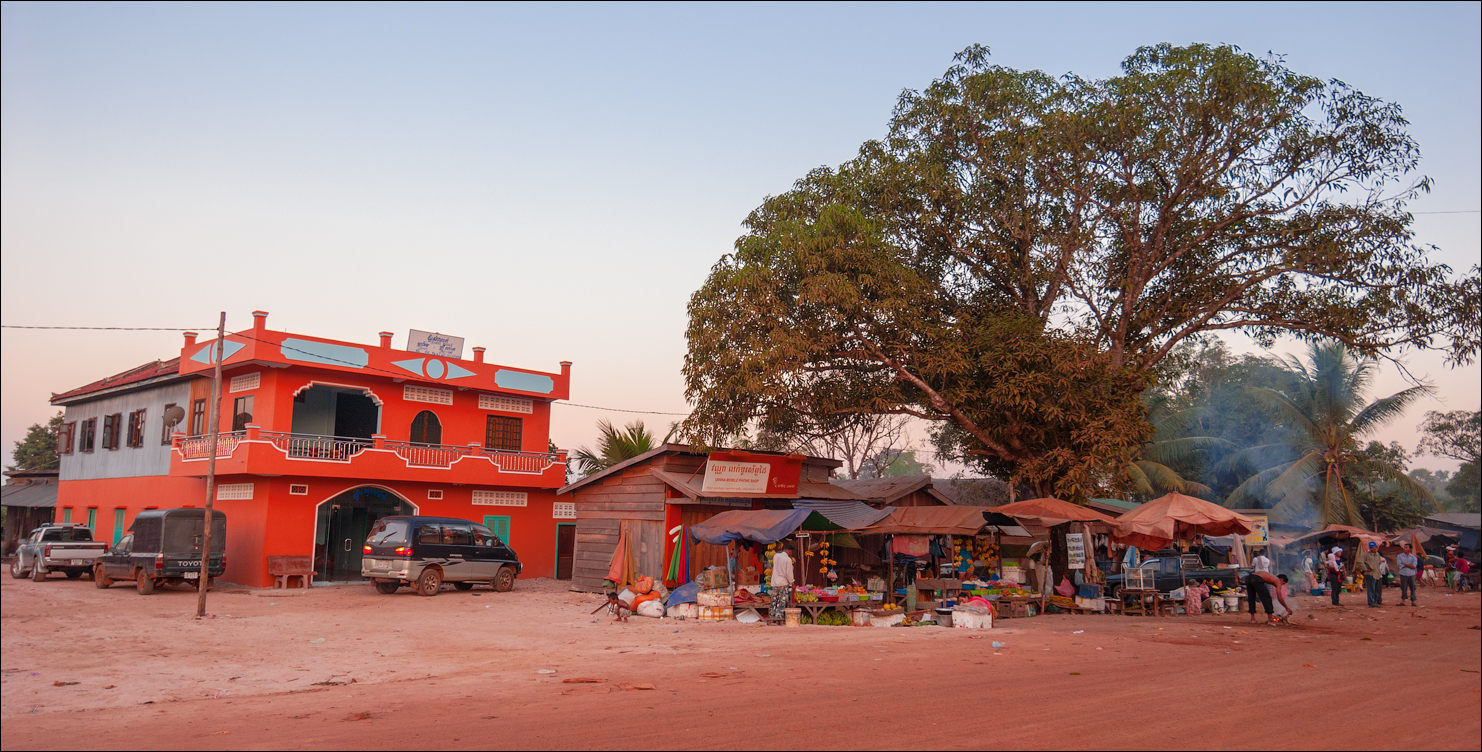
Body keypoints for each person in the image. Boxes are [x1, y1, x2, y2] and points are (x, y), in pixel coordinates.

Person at [1356, 540, 1385, 607]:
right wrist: (1365, 569)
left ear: (1376, 548)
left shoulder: (1377, 554)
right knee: (1371, 589)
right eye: (1370, 548)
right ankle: (1371, 602)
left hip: (1377, 574)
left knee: (1377, 589)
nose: (1371, 549)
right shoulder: (1366, 554)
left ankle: (1376, 602)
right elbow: (1359, 561)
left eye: (1373, 547)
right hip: (1370, 574)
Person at [769, 545, 794, 622]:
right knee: (782, 600)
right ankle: (779, 616)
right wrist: (792, 582)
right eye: (791, 553)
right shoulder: (788, 560)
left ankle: (772, 615)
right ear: (789, 551)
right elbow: (789, 574)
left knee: (774, 599)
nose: (791, 554)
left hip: (775, 582)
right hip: (783, 582)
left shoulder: (776, 556)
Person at [1396, 542, 1420, 607]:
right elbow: (1399, 565)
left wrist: (1405, 564)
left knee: (1413, 588)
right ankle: (1403, 602)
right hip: (1403, 574)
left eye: (1406, 547)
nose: (1405, 548)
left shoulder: (1413, 558)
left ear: (1410, 549)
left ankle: (1413, 601)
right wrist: (1409, 565)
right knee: (1403, 588)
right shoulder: (1399, 556)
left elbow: (1414, 566)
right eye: (1404, 547)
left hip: (1411, 574)